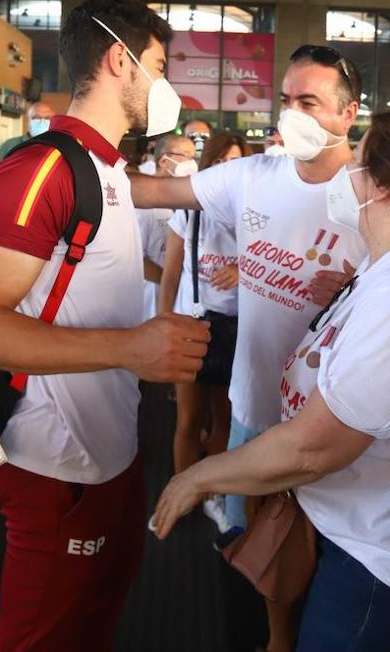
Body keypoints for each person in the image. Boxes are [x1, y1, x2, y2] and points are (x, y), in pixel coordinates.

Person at [152, 110, 390, 651]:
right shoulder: (386, 268)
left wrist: (197, 477)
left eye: (359, 163)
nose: (348, 176)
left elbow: (313, 448)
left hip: (386, 562)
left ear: (383, 186)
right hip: (357, 535)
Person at [0, 0, 210, 652]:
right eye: (158, 64)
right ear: (121, 60)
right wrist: (132, 347)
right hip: (54, 461)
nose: (164, 83)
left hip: (106, 453)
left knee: (95, 608)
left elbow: (171, 199)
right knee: (41, 633)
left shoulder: (108, 171)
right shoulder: (43, 171)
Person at [130, 44, 371, 652]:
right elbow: (152, 193)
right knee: (257, 545)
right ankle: (276, 637)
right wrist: (74, 155)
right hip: (252, 404)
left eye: (308, 102)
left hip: (339, 418)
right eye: (286, 101)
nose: (291, 115)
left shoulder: (376, 195)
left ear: (349, 114)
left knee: (331, 551)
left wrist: (353, 288)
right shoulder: (252, 177)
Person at [159, 132, 248, 531]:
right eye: (222, 162)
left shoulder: (253, 212)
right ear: (209, 165)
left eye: (237, 163)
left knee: (225, 416)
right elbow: (171, 272)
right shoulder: (189, 211)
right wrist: (161, 324)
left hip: (237, 327)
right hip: (192, 322)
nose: (229, 170)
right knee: (188, 418)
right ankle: (182, 494)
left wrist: (244, 271)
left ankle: (211, 491)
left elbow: (277, 262)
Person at [137, 133, 198, 322]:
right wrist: (170, 281)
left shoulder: (187, 200)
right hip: (150, 300)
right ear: (164, 160)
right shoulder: (143, 204)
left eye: (194, 156)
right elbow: (136, 259)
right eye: (185, 155)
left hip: (180, 301)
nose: (192, 162)